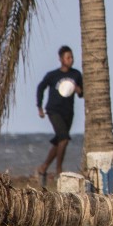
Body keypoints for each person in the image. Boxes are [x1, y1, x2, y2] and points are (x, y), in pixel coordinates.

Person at [35, 45, 84, 188]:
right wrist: (39, 106)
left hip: (68, 112)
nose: (71, 60)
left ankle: (43, 168)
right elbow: (41, 87)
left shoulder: (76, 74)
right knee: (64, 139)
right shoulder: (53, 75)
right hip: (53, 110)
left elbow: (82, 93)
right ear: (61, 59)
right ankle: (58, 171)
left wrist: (77, 89)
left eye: (72, 57)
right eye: (68, 57)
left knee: (59, 141)